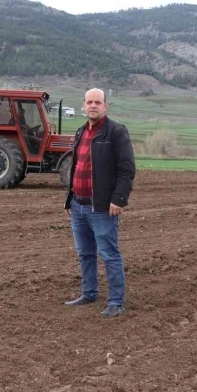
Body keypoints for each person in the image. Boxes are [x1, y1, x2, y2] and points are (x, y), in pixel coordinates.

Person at [64, 88, 136, 317]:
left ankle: (116, 302)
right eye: (89, 102)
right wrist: (69, 201)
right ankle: (89, 292)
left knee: (109, 254)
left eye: (97, 102)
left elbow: (127, 170)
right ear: (83, 106)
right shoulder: (80, 132)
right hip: (78, 205)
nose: (92, 106)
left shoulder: (116, 132)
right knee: (85, 253)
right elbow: (76, 168)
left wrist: (119, 200)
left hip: (102, 207)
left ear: (106, 106)